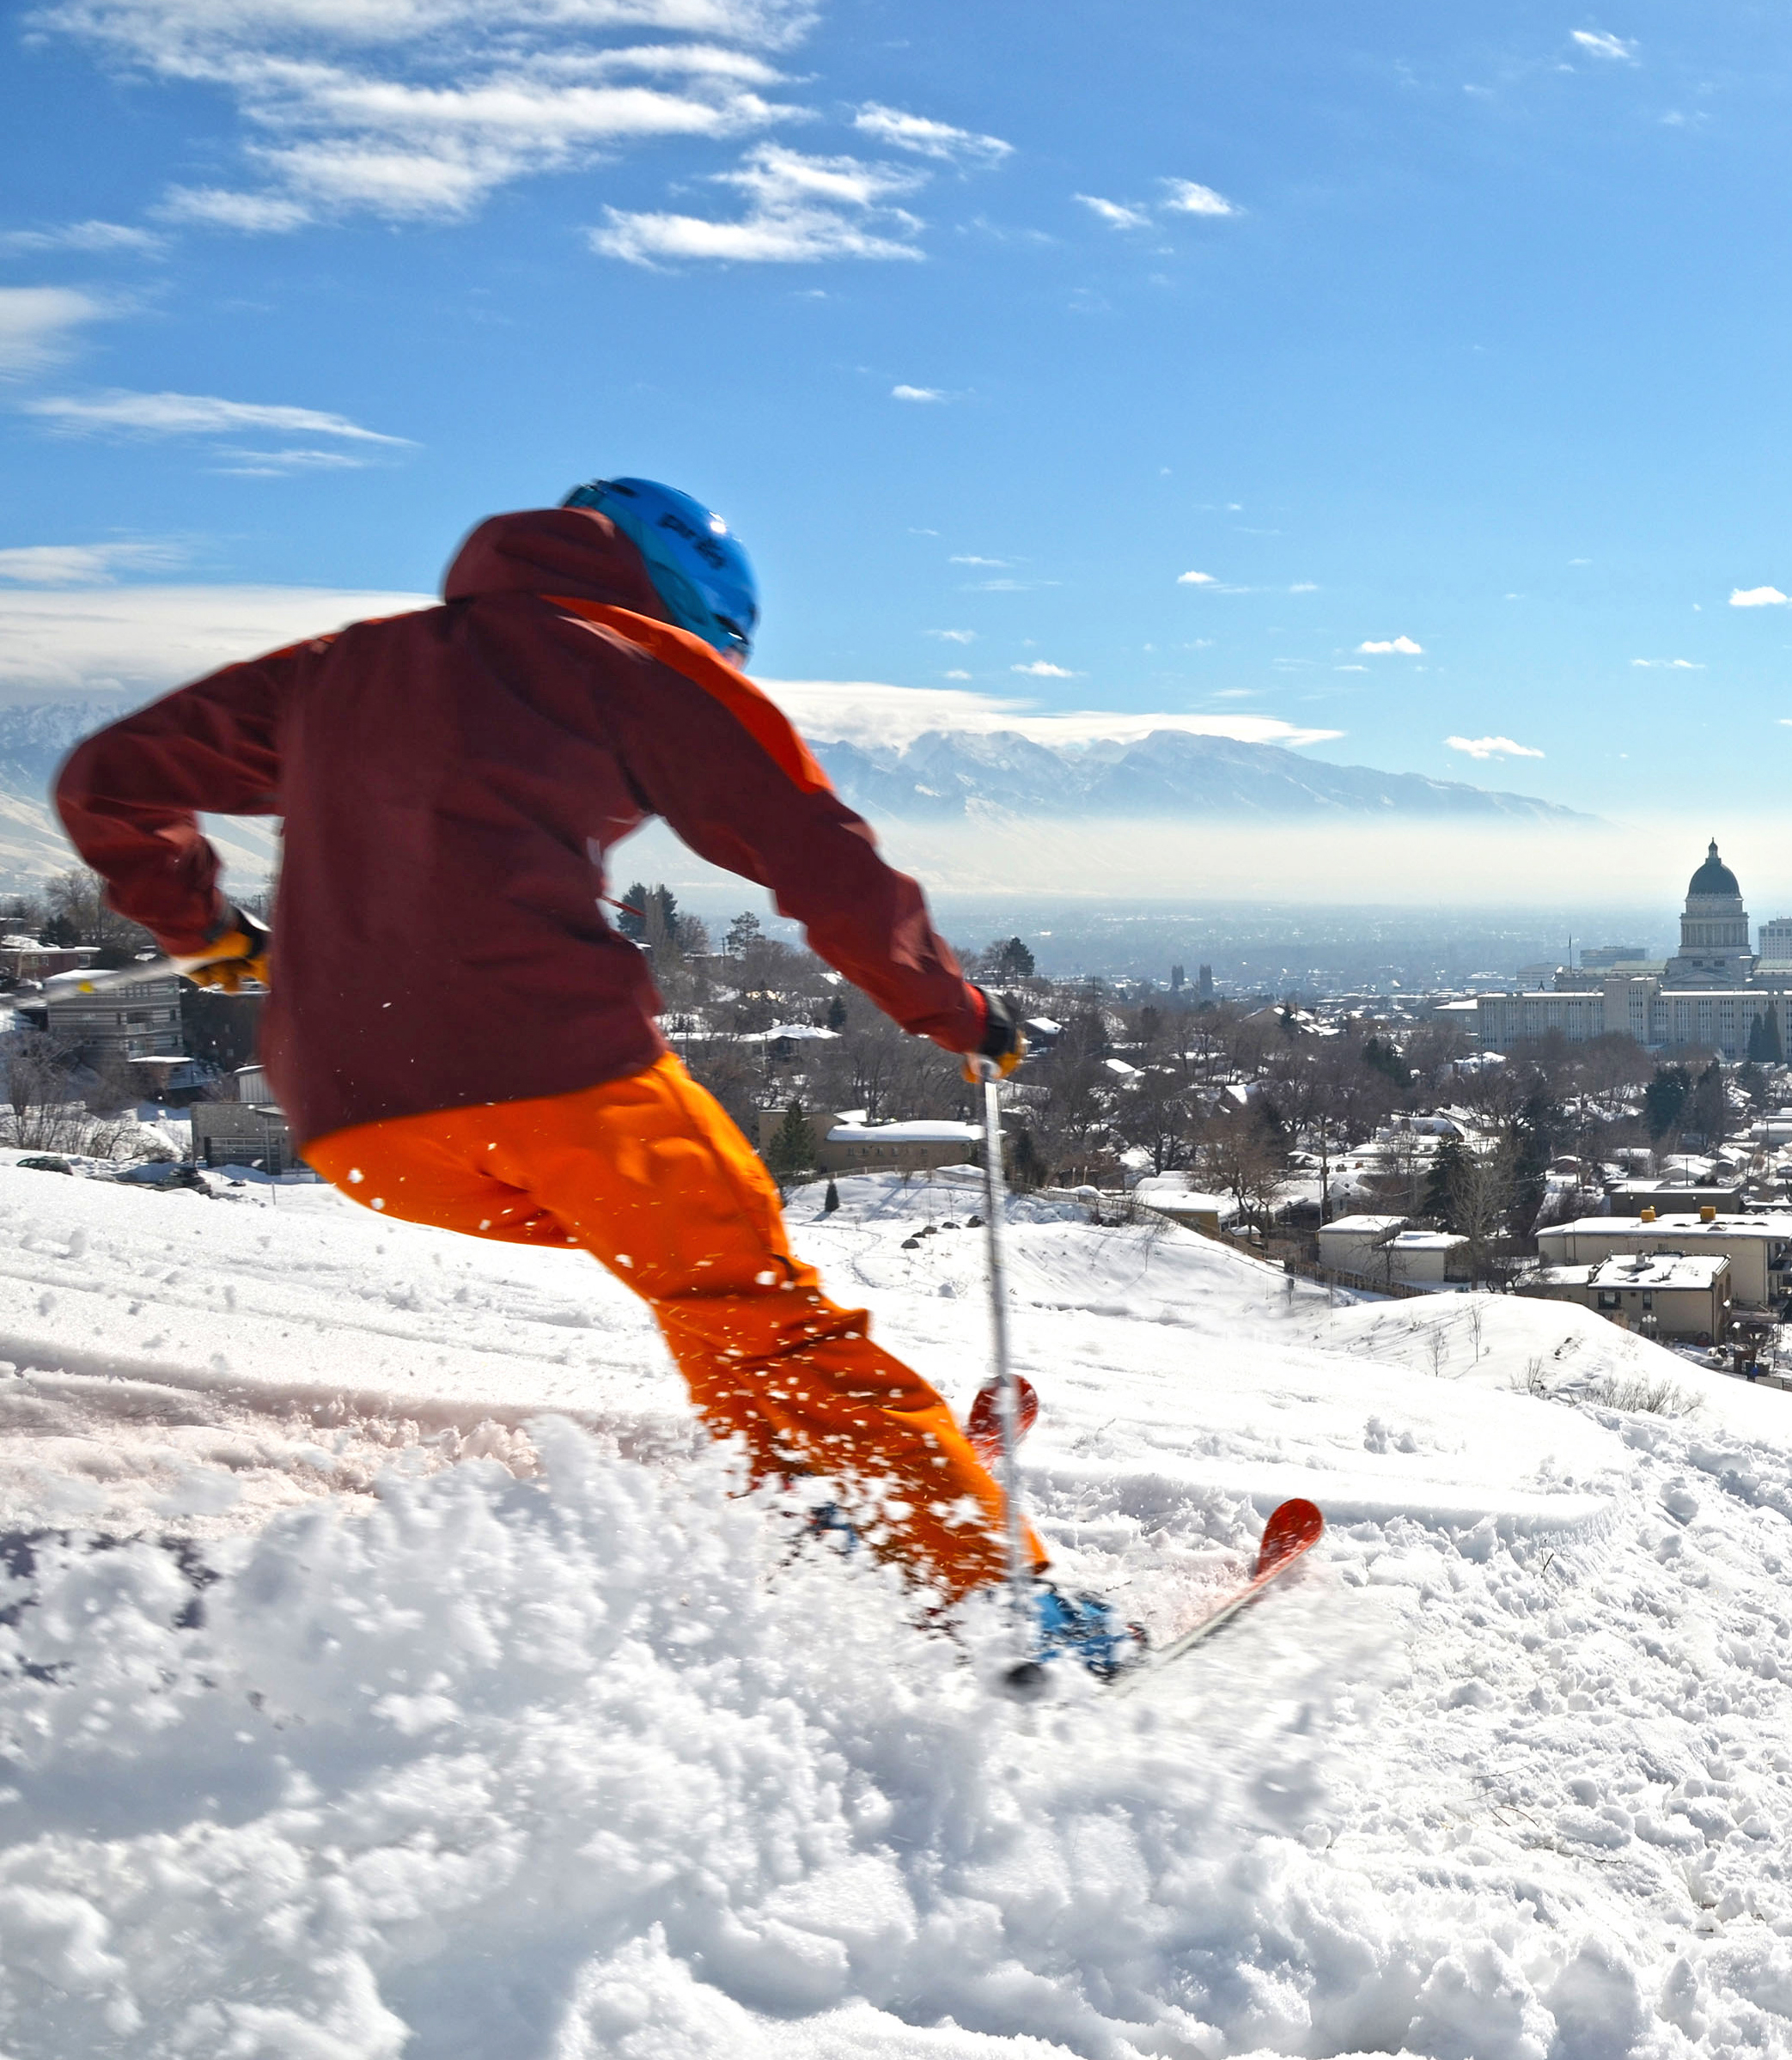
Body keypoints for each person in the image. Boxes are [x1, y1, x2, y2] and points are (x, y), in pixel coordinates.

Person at [55, 478, 1058, 1629]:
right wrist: (954, 1007)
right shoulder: (628, 655)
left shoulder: (342, 666)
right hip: (556, 1073)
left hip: (355, 1126)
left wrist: (207, 932)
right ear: (692, 604)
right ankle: (1002, 1604)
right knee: (749, 1301)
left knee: (708, 1292)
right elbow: (816, 853)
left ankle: (817, 1503)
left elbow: (107, 782)